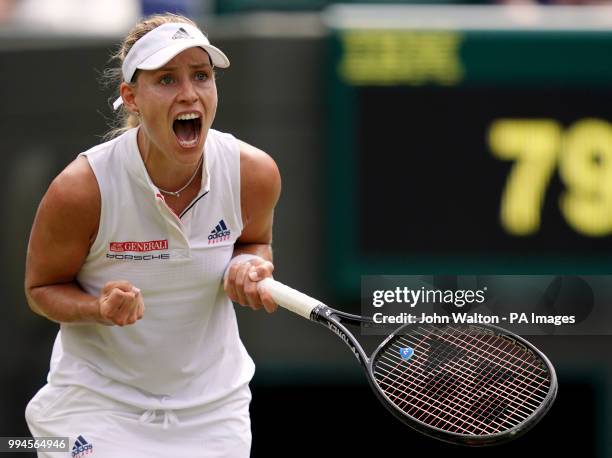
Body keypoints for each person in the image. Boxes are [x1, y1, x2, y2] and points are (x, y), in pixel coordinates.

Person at [24, 13, 280, 457]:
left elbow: (253, 242)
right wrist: (98, 309)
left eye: (201, 76)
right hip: (95, 407)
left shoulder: (253, 172)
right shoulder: (81, 188)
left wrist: (246, 264)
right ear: (131, 97)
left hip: (213, 412)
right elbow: (41, 289)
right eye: (166, 80)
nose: (189, 93)